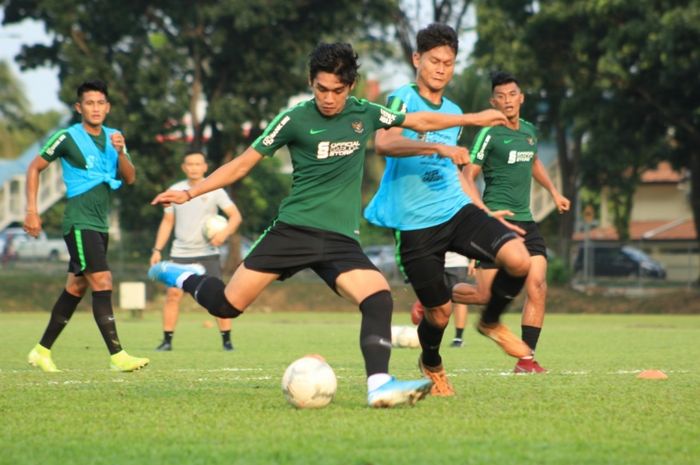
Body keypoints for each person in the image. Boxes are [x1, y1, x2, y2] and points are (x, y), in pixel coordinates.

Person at [148, 42, 507, 407]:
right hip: (294, 230)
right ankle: (182, 275)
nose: (329, 98)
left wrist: (474, 119)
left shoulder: (364, 113)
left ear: (350, 87)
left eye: (337, 90)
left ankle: (379, 385)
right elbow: (242, 164)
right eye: (321, 89)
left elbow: (419, 121)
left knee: (378, 297)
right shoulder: (294, 119)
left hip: (339, 239)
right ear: (310, 82)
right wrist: (191, 193)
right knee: (227, 305)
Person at [364, 23, 532, 397]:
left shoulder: (453, 110)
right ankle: (432, 362)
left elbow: (460, 175)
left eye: (449, 63)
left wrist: (484, 211)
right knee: (438, 313)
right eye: (434, 61)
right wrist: (436, 148)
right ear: (416, 59)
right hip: (415, 225)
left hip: (457, 211)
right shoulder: (401, 98)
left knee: (520, 260)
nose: (442, 68)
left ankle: (489, 322)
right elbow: (385, 142)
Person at [24, 80, 149, 372]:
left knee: (76, 287)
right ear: (79, 107)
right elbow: (34, 167)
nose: (95, 108)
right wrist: (31, 210)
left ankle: (41, 351)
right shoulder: (67, 137)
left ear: (108, 107)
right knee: (103, 282)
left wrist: (120, 152)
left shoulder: (115, 137)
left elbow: (130, 178)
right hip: (79, 222)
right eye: (89, 103)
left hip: (100, 223)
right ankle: (118, 356)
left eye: (100, 103)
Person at [454, 71, 571, 373]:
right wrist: (477, 212)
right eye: (501, 96)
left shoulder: (530, 131)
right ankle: (432, 295)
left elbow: (533, 161)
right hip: (496, 223)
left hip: (527, 222)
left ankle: (526, 359)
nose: (507, 100)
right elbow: (468, 174)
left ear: (521, 97)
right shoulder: (489, 132)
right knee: (484, 296)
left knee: (538, 285)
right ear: (493, 101)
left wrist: (555, 192)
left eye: (512, 94)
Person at [150, 152, 242, 352]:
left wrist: (224, 234)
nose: (194, 168)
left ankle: (227, 342)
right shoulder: (175, 190)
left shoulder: (215, 189)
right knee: (173, 295)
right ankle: (167, 341)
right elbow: (167, 221)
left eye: (198, 164)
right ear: (184, 167)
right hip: (181, 253)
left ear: (205, 167)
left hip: (207, 253)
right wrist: (157, 249)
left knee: (219, 296)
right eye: (190, 164)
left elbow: (235, 217)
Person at [409, 252, 473, 348]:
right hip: (434, 262)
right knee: (432, 299)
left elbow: (469, 237)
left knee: (460, 300)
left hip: (458, 263)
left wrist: (474, 261)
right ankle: (429, 337)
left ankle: (458, 338)